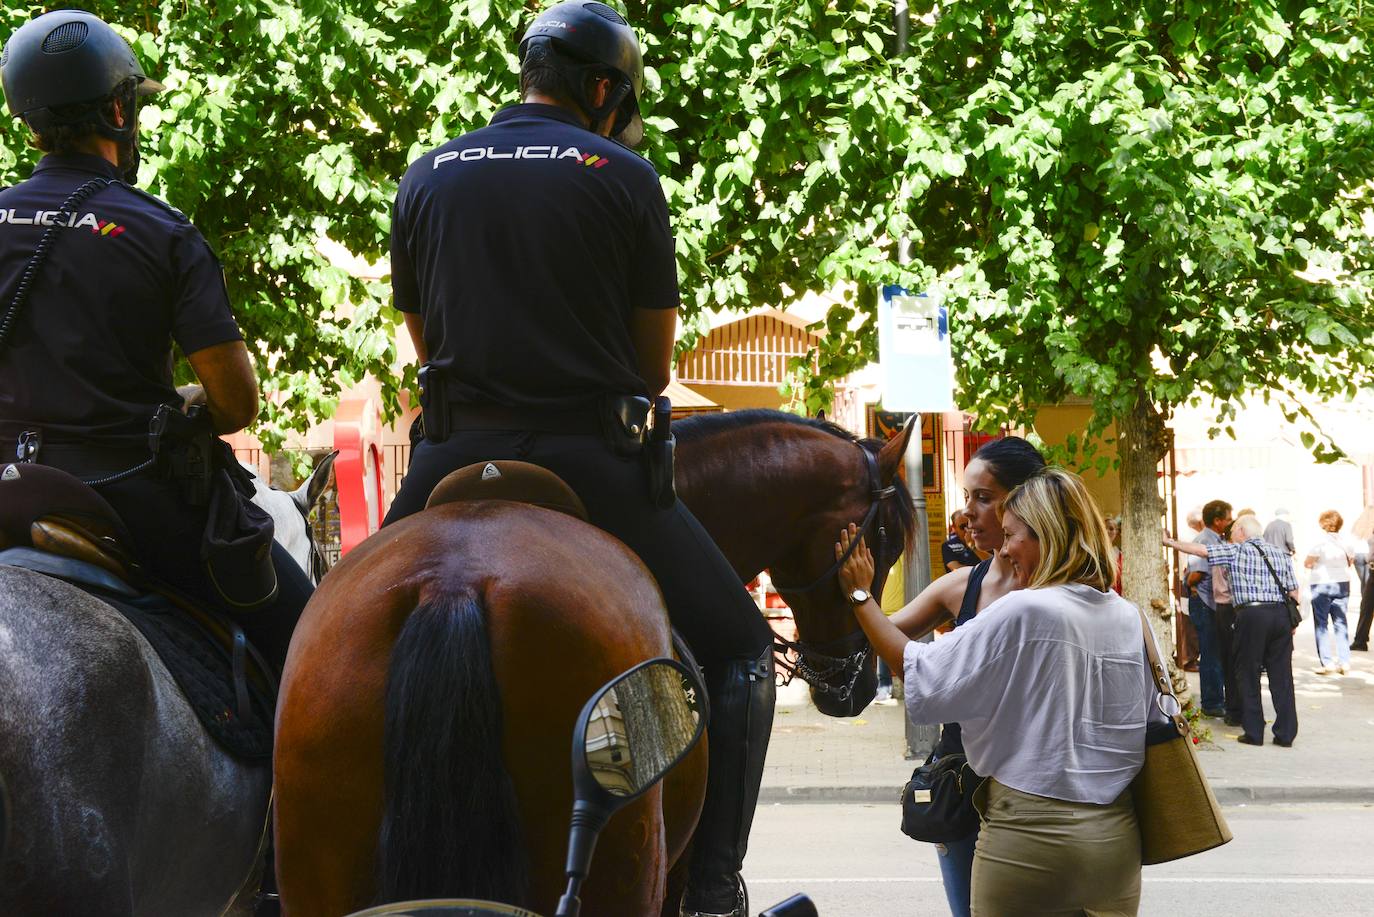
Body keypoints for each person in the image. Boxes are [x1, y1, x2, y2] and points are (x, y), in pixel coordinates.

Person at [381, 6, 770, 913]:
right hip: (590, 460)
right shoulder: (624, 175)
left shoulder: (428, 173)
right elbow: (653, 365)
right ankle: (712, 883)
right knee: (743, 649)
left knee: (321, 626)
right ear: (602, 89)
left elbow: (422, 336)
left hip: (449, 452)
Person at [0, 10, 310, 673]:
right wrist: (197, 402)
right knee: (312, 634)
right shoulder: (160, 232)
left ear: (29, 125)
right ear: (118, 110)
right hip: (123, 492)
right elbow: (236, 402)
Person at [839, 468, 1150, 915]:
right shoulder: (1128, 616)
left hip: (1028, 835)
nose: (1003, 550)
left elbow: (919, 669)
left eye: (1011, 536)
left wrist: (859, 596)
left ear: (1047, 534)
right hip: (1115, 838)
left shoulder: (1025, 609)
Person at [850, 436, 1045, 917]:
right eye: (966, 498)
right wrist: (848, 590)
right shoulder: (963, 585)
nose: (968, 514)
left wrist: (860, 599)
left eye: (984, 497)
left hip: (1036, 793)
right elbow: (885, 639)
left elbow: (915, 665)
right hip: (963, 793)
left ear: (1025, 501)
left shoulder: (1059, 590)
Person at [1166, 514, 1299, 747]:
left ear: (1241, 531)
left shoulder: (1236, 551)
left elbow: (1201, 551)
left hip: (1252, 615)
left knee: (1247, 673)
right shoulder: (1280, 553)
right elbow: (1294, 592)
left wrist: (1169, 543)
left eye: (1233, 530)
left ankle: (1254, 733)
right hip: (1280, 616)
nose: (1231, 535)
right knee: (1282, 676)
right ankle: (1285, 734)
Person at [1187, 500, 1234, 718]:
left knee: (1216, 652)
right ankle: (1212, 702)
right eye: (1227, 517)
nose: (1230, 521)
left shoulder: (1216, 539)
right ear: (1217, 521)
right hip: (1205, 602)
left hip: (1212, 603)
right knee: (1211, 653)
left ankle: (1217, 699)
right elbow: (1195, 574)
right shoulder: (1204, 540)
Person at [1305, 510, 1354, 676]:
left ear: (1323, 523)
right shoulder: (1346, 542)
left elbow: (1308, 562)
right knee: (1340, 622)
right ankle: (1344, 661)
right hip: (1342, 583)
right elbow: (1351, 561)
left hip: (1322, 583)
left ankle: (1327, 662)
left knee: (1321, 623)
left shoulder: (1319, 542)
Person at [1105, 514, 1124, 594]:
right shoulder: (1093, 552)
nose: (1107, 531)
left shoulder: (1120, 555)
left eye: (1112, 529)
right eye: (1106, 528)